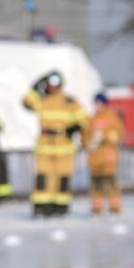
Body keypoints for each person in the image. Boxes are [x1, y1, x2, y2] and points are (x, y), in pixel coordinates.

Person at [22, 70, 86, 217]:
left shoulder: (69, 102)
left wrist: (75, 127)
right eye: (50, 83)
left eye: (56, 83)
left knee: (62, 177)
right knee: (43, 177)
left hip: (64, 146)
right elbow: (26, 101)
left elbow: (83, 118)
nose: (53, 87)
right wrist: (36, 84)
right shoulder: (42, 100)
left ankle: (61, 207)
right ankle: (41, 206)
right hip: (45, 146)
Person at [86, 92, 124, 216]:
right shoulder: (91, 119)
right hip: (95, 157)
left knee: (110, 183)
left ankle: (114, 208)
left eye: (99, 103)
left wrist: (106, 136)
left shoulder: (112, 117)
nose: (97, 106)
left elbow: (119, 134)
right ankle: (96, 208)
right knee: (96, 184)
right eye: (95, 103)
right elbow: (85, 136)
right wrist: (89, 141)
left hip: (108, 156)